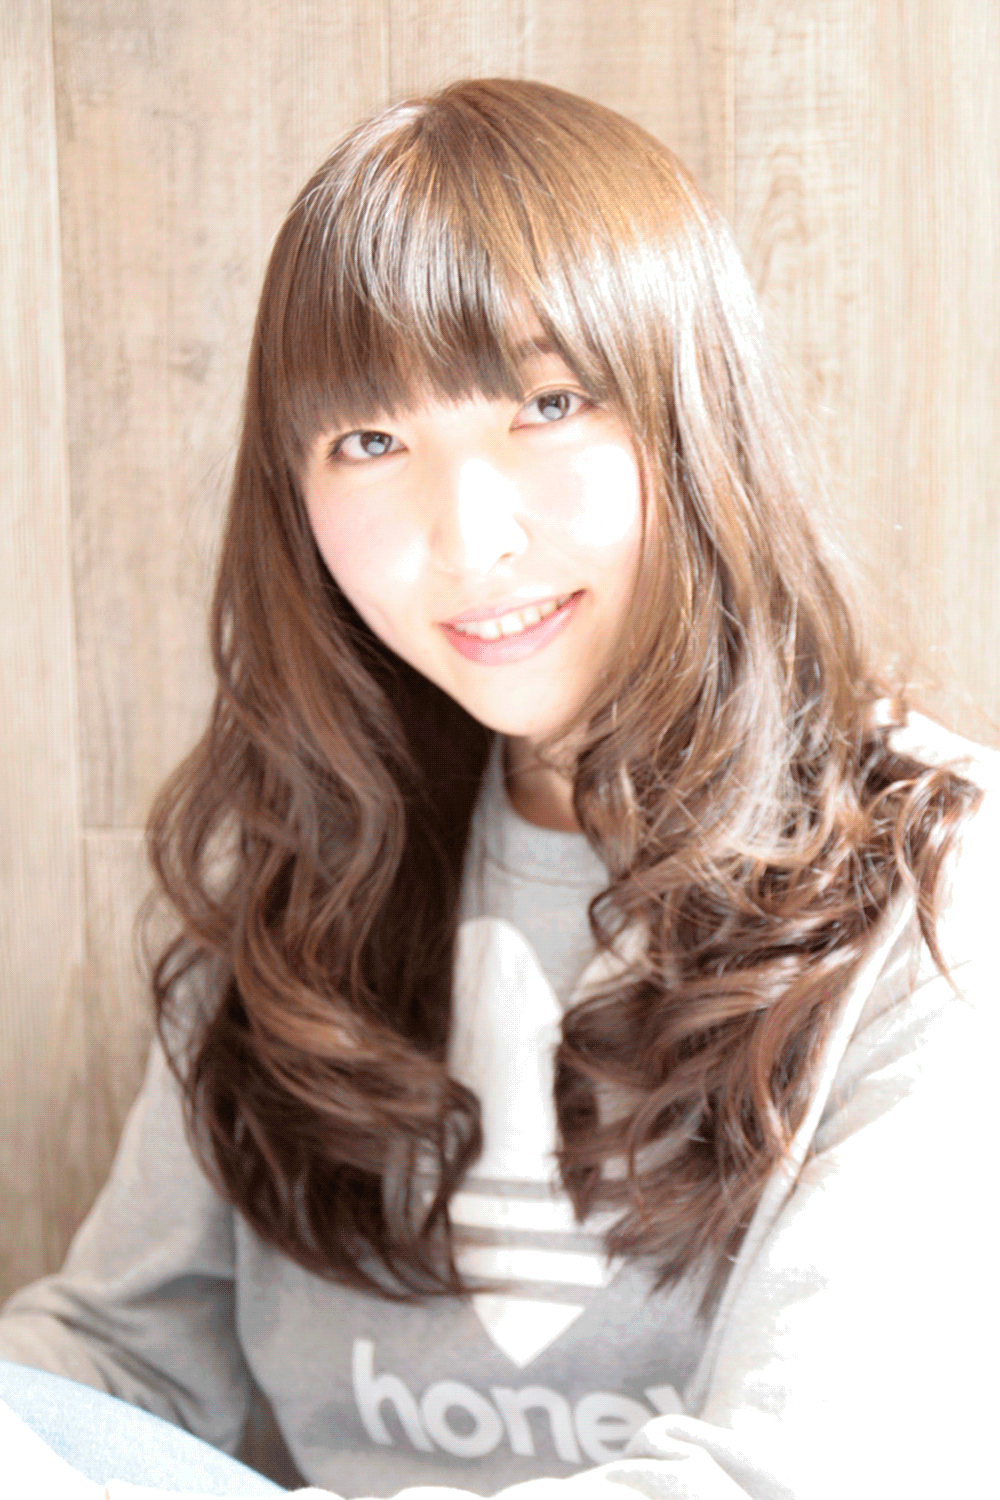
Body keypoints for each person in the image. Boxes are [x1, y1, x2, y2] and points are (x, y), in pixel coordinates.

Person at [0, 76, 996, 1500]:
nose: (466, 538)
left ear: (693, 417)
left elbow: (795, 1476)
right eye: (370, 442)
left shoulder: (940, 877)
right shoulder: (314, 854)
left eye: (547, 403)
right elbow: (117, 1368)